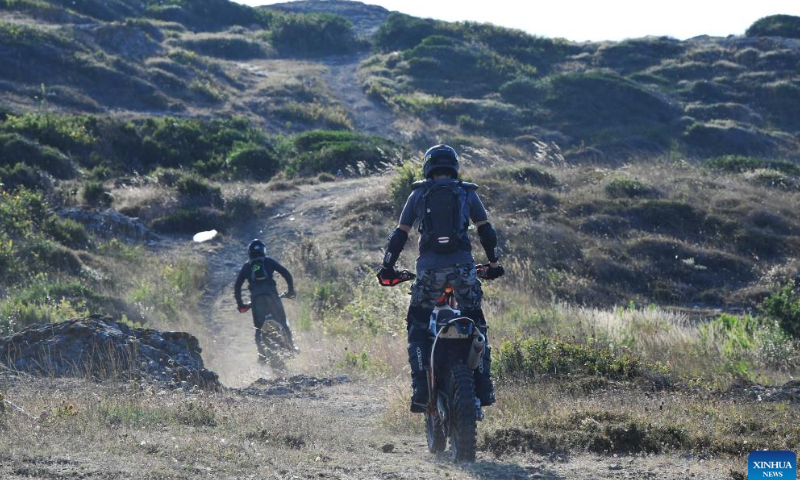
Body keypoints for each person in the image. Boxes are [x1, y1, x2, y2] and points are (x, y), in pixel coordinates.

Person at [377, 144, 504, 413]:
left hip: (429, 271)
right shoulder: (467, 193)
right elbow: (486, 231)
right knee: (476, 322)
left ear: (428, 167)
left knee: (418, 324)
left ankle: (421, 391)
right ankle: (484, 385)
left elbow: (400, 234)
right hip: (463, 268)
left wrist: (387, 267)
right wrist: (493, 264)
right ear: (454, 166)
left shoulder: (418, 194)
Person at [234, 239, 297, 367]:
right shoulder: (268, 261)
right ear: (263, 250)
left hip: (256, 302)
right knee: (283, 323)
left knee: (258, 328)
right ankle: (291, 347)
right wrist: (290, 291)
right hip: (273, 298)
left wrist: (241, 305)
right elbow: (287, 274)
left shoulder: (246, 267)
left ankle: (262, 355)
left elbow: (237, 286)